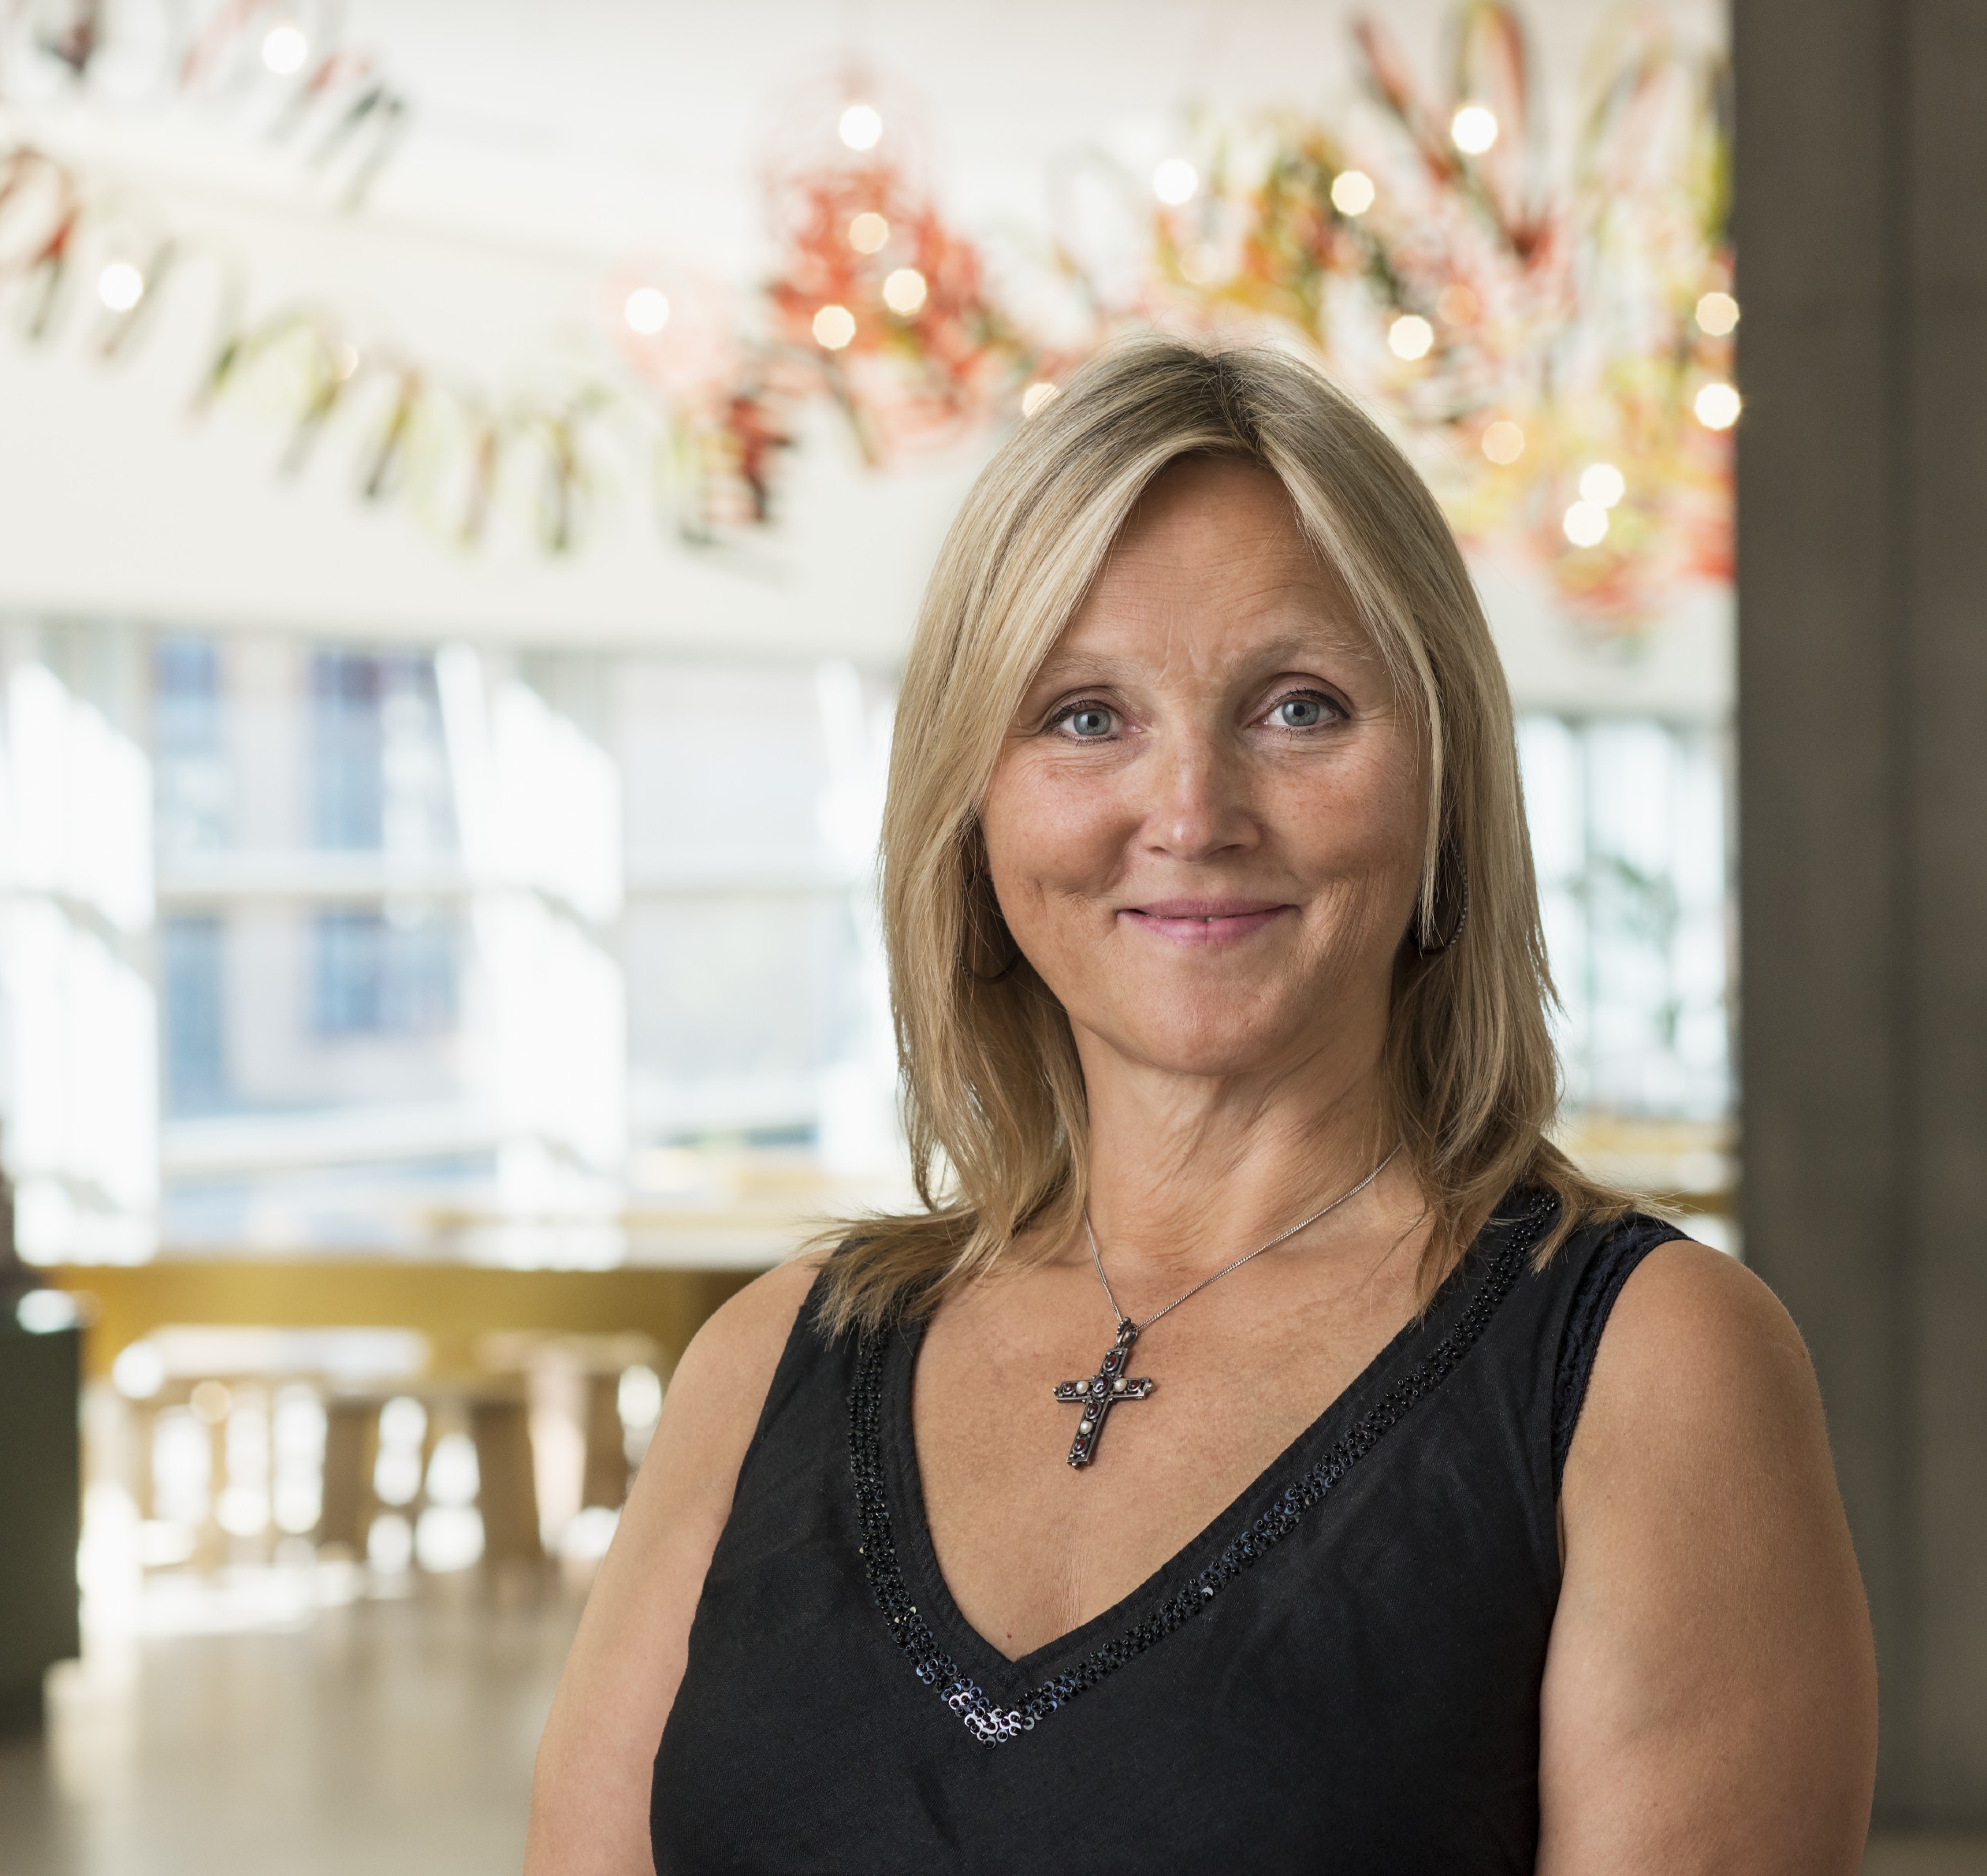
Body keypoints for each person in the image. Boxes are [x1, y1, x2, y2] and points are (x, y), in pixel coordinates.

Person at [526, 337, 1876, 1874]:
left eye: (1299, 708)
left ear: (1445, 782)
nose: (1190, 813)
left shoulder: (1647, 1367)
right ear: (971, 808)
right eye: (1084, 715)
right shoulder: (765, 1361)